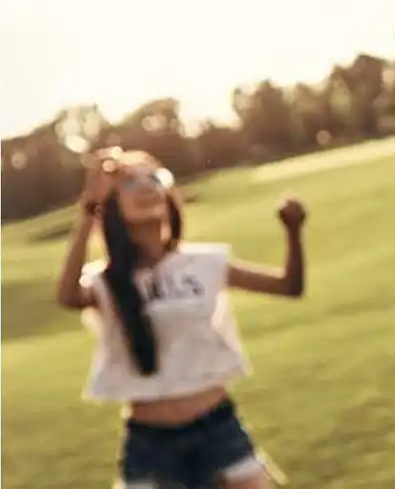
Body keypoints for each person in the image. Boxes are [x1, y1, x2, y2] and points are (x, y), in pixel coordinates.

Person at [55, 147, 308, 489]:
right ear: (112, 205)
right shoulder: (106, 281)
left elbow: (288, 286)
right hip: (150, 444)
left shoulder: (205, 263)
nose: (145, 186)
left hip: (219, 429)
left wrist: (293, 231)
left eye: (154, 177)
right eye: (129, 182)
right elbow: (68, 296)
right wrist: (89, 208)